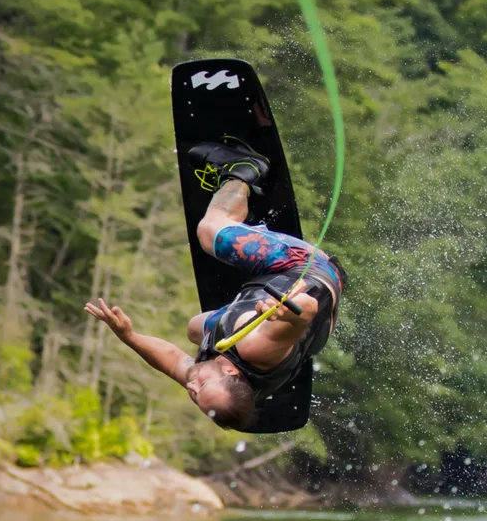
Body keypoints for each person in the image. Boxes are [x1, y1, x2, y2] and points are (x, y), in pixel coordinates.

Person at [83, 141, 344, 431]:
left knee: (196, 329)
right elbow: (307, 311)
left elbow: (170, 361)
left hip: (296, 317)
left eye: (193, 395)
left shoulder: (210, 379)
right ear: (230, 370)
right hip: (301, 268)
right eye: (200, 385)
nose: (192, 385)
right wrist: (286, 311)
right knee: (209, 232)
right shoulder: (257, 348)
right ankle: (244, 169)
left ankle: (242, 289)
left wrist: (129, 336)